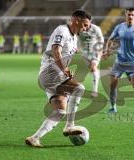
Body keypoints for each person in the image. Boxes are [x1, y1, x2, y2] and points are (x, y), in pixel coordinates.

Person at [25, 10, 91, 147]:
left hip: (54, 77)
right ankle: (70, 125)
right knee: (79, 88)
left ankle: (35, 138)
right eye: (84, 25)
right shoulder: (62, 30)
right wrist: (64, 69)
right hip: (50, 74)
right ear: (76, 20)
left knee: (60, 111)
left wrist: (67, 69)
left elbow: (66, 53)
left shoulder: (74, 38)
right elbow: (56, 50)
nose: (85, 29)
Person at [103, 7, 134, 113]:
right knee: (112, 85)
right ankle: (113, 107)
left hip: (133, 63)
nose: (130, 16)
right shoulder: (119, 27)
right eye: (128, 14)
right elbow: (111, 39)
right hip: (119, 62)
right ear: (125, 15)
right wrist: (107, 50)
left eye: (132, 15)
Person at [78, 21, 104, 97]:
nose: (84, 25)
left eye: (86, 23)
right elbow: (78, 39)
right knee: (92, 70)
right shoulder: (80, 29)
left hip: (95, 51)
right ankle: (98, 73)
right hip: (85, 53)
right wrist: (78, 47)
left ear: (90, 21)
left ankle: (94, 91)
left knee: (94, 67)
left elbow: (101, 39)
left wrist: (101, 50)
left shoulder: (96, 28)